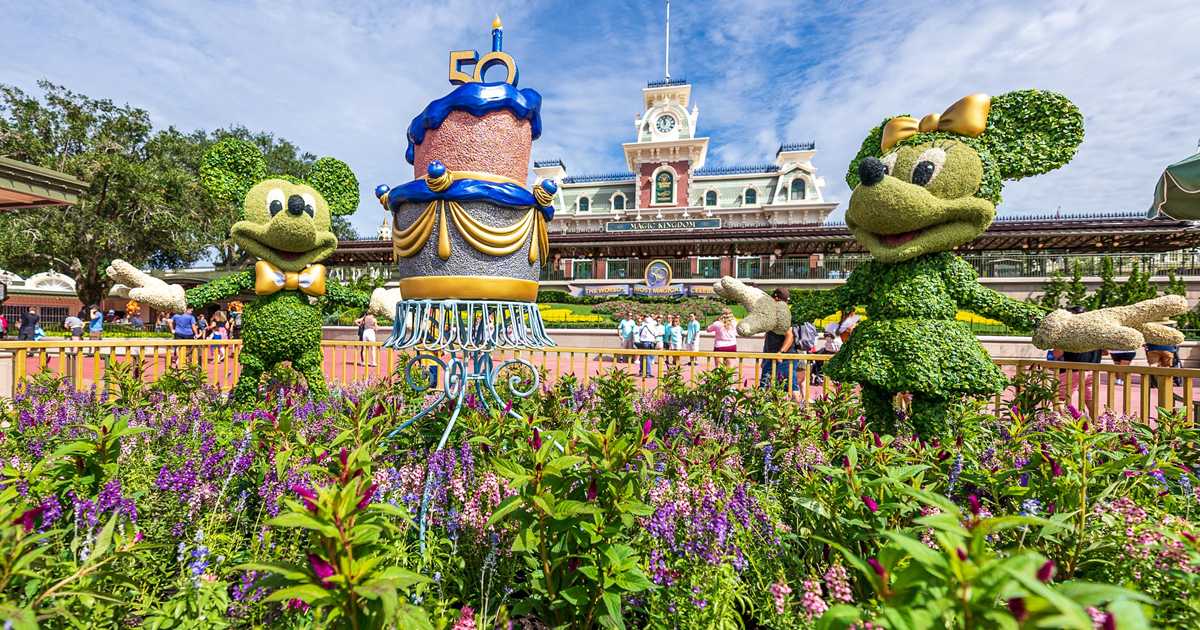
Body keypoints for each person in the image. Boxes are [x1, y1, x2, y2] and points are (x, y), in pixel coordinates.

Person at [759, 289, 796, 388]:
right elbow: (768, 337)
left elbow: (790, 335)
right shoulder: (774, 314)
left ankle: (799, 403)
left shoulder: (783, 314)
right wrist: (765, 358)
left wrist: (781, 353)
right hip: (772, 356)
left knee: (789, 387)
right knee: (766, 386)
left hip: (783, 357)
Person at [634, 313, 659, 377]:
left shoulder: (643, 324)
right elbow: (656, 333)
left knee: (642, 358)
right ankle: (648, 373)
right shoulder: (652, 323)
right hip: (649, 342)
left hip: (642, 342)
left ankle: (641, 372)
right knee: (648, 358)